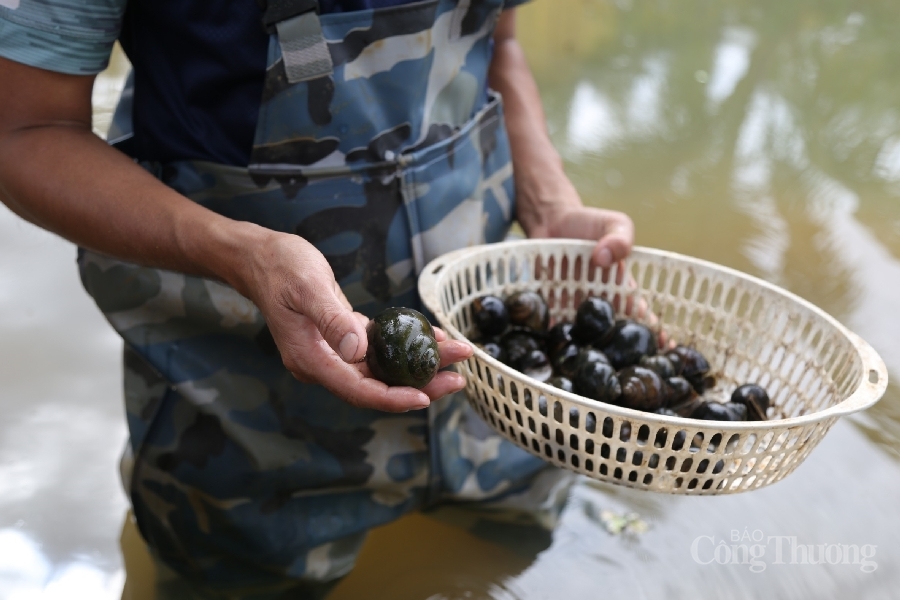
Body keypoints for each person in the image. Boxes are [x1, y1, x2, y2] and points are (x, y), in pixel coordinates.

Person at [0, 0, 634, 596]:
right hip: (241, 415)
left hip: (498, 386)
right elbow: (25, 130)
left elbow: (494, 37)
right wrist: (240, 253)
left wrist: (549, 206)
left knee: (512, 561)